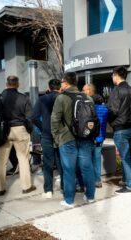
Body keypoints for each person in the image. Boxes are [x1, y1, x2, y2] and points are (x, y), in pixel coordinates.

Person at [51, 72, 96, 207]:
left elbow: (55, 120)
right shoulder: (88, 97)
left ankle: (69, 200)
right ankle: (90, 196)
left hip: (67, 139)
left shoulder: (61, 98)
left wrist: (56, 138)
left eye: (62, 82)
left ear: (65, 83)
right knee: (87, 167)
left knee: (69, 169)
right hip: (85, 137)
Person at [0, 75, 36, 196]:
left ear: (6, 84)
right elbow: (30, 117)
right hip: (20, 129)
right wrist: (29, 130)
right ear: (17, 84)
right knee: (23, 158)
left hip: (2, 131)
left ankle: (0, 189)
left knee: (1, 161)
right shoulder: (24, 98)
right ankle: (26, 186)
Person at [107, 66, 131, 193]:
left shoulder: (117, 90)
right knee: (128, 156)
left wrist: (111, 122)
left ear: (116, 75)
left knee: (125, 157)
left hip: (120, 128)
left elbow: (112, 110)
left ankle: (130, 185)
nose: (111, 77)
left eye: (112, 75)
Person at [31, 79, 63, 199]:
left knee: (48, 163)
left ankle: (48, 190)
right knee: (61, 161)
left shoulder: (42, 99)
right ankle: (65, 188)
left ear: (49, 88)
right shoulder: (63, 97)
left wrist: (43, 127)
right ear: (59, 88)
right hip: (61, 134)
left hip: (46, 134)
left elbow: (33, 117)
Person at [82, 83, 108, 188]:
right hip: (100, 137)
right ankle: (97, 180)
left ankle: (88, 180)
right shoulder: (105, 109)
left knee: (87, 159)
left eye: (84, 90)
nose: (83, 92)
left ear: (89, 91)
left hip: (90, 137)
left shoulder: (89, 107)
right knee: (97, 159)